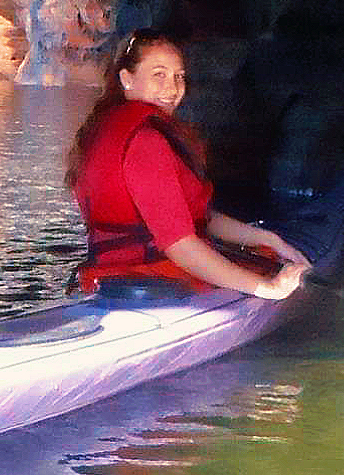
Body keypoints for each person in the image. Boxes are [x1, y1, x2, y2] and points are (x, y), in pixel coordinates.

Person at [66, 29, 308, 299]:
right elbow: (180, 246)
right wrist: (269, 288)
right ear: (127, 79)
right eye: (159, 75)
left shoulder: (103, 128)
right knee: (268, 269)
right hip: (154, 281)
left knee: (265, 253)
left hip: (105, 278)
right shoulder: (146, 142)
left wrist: (268, 239)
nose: (172, 89)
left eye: (179, 77)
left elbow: (198, 217)